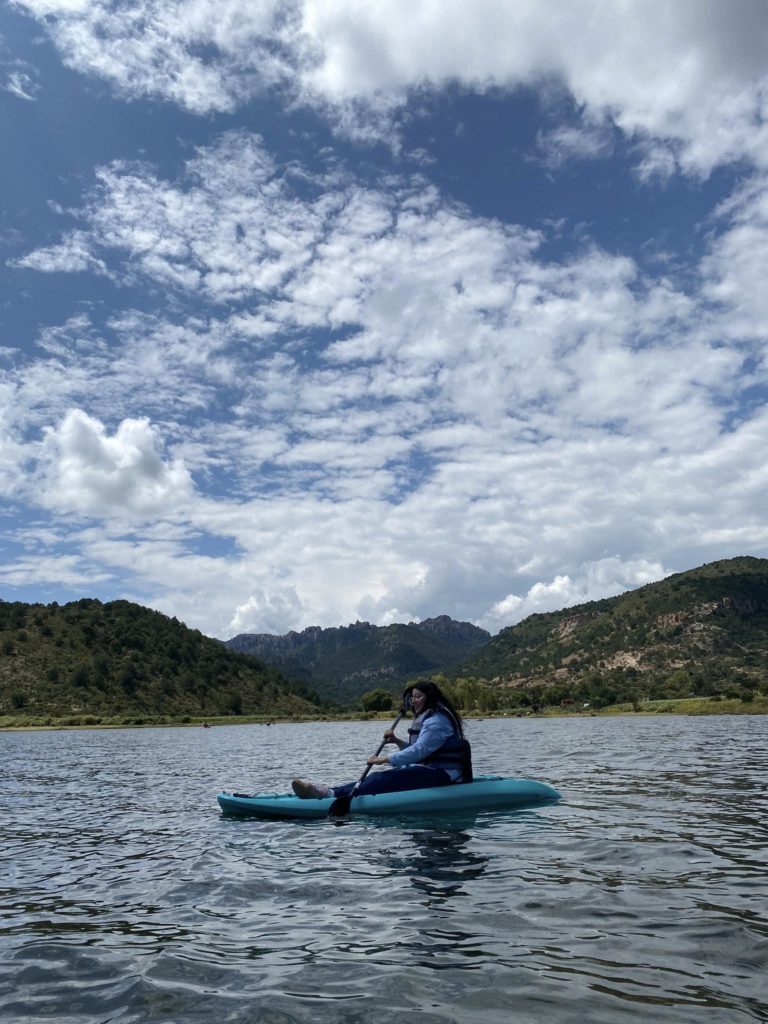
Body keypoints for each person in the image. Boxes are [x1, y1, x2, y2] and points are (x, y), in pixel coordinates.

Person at [291, 680, 473, 799]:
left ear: (430, 698)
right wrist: (397, 741)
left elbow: (419, 752)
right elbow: (418, 749)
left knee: (384, 777)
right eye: (412, 697)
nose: (413, 701)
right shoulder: (431, 717)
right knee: (384, 777)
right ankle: (330, 791)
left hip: (446, 776)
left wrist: (383, 759)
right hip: (431, 770)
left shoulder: (436, 721)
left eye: (418, 696)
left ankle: (328, 794)